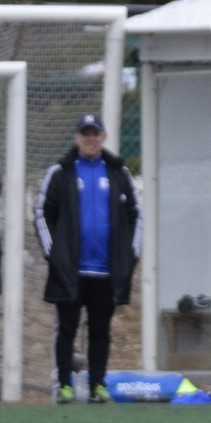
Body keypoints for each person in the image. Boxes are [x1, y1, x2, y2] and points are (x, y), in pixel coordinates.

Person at [34, 113, 142, 405]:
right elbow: (42, 213)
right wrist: (55, 255)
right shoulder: (61, 172)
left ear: (103, 137)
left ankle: (97, 386)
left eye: (95, 134)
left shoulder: (119, 173)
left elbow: (136, 216)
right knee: (66, 329)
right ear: (77, 138)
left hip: (106, 271)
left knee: (100, 331)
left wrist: (129, 257)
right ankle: (64, 385)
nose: (91, 139)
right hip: (70, 270)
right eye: (86, 134)